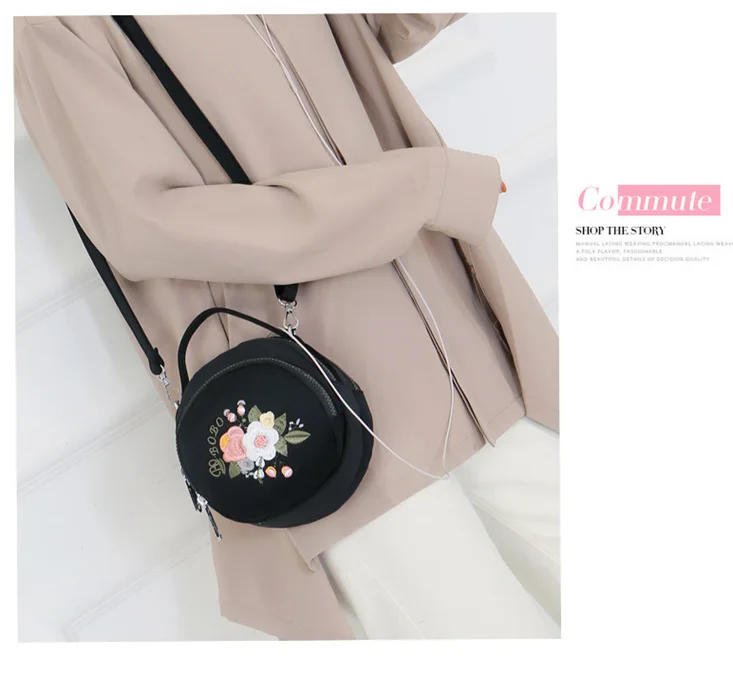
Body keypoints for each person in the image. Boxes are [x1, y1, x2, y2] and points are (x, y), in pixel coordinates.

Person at [14, 13, 560, 639]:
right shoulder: (60, 24)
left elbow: (382, 27)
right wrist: (421, 191)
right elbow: (143, 225)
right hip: (324, 410)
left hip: (465, 349)